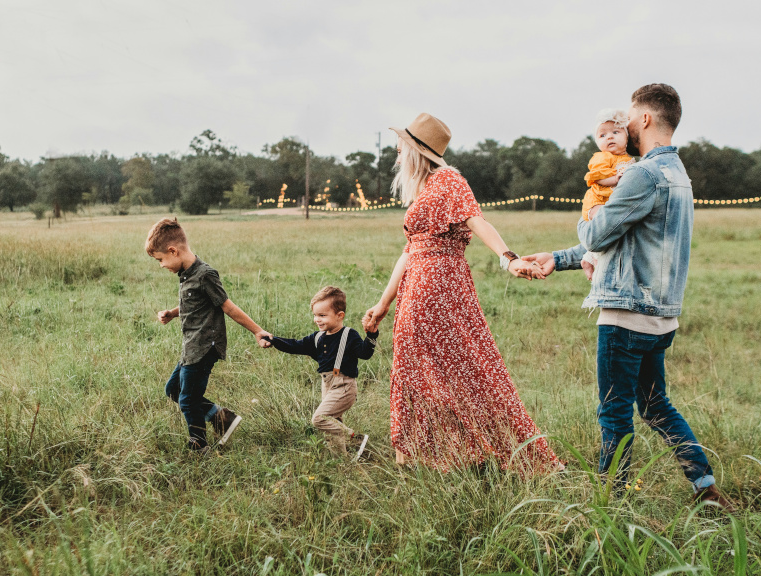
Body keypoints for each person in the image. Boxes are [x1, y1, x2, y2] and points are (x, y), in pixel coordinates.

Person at [523, 84, 733, 509]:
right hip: (661, 318)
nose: (626, 125)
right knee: (657, 407)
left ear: (647, 120)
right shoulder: (678, 174)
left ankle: (610, 502)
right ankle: (705, 488)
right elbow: (625, 239)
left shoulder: (642, 173)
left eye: (631, 117)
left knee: (614, 413)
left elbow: (599, 232)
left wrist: (591, 215)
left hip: (625, 315)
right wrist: (559, 258)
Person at [362, 112, 561, 473]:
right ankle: (423, 455)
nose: (396, 151)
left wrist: (508, 258)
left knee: (466, 368)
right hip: (417, 286)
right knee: (417, 368)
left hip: (438, 286)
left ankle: (493, 451)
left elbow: (477, 220)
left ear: (416, 150)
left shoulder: (449, 180)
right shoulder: (424, 189)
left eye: (401, 145)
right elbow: (409, 252)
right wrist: (382, 304)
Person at [146, 217, 272, 452]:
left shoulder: (205, 274)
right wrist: (173, 313)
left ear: (173, 251)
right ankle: (221, 418)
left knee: (187, 399)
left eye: (161, 259)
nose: (161, 265)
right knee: (173, 390)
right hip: (191, 346)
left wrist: (258, 331)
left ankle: (199, 445)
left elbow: (228, 307)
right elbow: (193, 304)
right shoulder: (185, 274)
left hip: (204, 347)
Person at [263, 286, 376, 460]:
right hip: (327, 386)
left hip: (344, 387)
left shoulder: (349, 335)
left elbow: (365, 354)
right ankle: (342, 460)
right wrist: (273, 340)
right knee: (332, 425)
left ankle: (355, 438)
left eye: (322, 315)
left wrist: (371, 335)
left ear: (340, 316)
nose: (317, 319)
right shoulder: (317, 338)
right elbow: (295, 345)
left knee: (320, 419)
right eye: (315, 315)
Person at [580, 109, 635, 281]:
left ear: (627, 137)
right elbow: (596, 177)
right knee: (603, 224)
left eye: (615, 132)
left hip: (610, 201)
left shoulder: (628, 159)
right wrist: (614, 179)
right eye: (602, 135)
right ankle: (594, 259)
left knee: (612, 229)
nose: (609, 137)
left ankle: (589, 257)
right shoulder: (603, 157)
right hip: (598, 200)